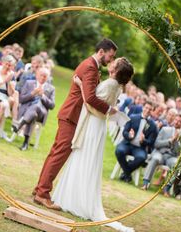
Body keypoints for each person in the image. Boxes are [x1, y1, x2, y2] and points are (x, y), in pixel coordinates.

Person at [33, 38, 118, 210]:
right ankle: (42, 193)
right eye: (110, 56)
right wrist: (109, 109)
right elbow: (91, 98)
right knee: (59, 154)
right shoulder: (90, 67)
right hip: (71, 115)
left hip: (71, 115)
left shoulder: (91, 65)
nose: (111, 60)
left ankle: (39, 190)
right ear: (101, 52)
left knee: (56, 153)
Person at [52, 57, 134, 232]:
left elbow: (91, 105)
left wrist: (81, 85)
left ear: (117, 70)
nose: (112, 62)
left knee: (84, 158)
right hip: (95, 124)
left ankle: (77, 201)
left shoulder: (112, 84)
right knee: (83, 158)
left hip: (94, 124)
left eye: (115, 62)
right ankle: (74, 197)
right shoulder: (114, 84)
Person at [115, 101, 158, 183]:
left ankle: (125, 173)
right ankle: (127, 174)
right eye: (146, 108)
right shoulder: (132, 117)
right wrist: (129, 135)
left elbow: (151, 142)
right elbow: (124, 132)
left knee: (141, 158)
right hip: (127, 143)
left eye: (150, 109)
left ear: (152, 111)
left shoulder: (153, 125)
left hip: (140, 148)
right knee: (119, 151)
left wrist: (144, 140)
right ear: (143, 108)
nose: (147, 110)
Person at [14, 67, 55, 151]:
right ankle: (25, 143)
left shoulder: (51, 88)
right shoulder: (29, 83)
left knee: (36, 107)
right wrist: (32, 93)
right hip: (27, 110)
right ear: (37, 75)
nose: (43, 78)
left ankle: (20, 124)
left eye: (45, 76)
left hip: (41, 113)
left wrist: (42, 96)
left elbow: (52, 105)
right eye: (41, 75)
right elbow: (21, 99)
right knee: (33, 115)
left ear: (47, 78)